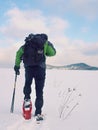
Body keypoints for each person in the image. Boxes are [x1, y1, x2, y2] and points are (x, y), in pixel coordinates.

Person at [14, 33, 56, 120]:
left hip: (29, 68)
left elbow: (18, 53)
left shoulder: (28, 43)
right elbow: (52, 53)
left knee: (28, 83)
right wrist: (47, 47)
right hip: (40, 69)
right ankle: (38, 112)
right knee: (39, 90)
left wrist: (17, 66)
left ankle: (27, 99)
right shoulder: (44, 43)